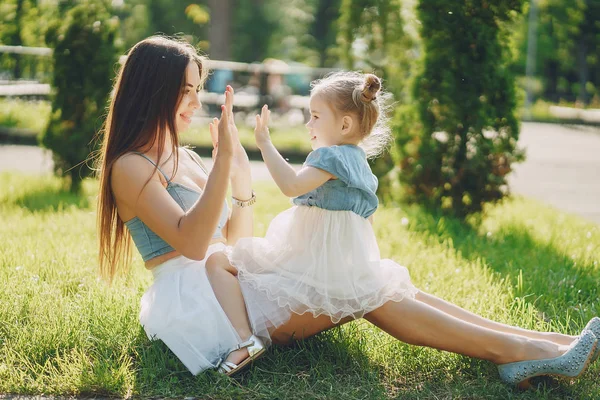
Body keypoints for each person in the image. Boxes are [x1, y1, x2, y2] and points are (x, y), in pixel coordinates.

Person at [205, 72, 599, 387]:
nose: (309, 122)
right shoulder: (355, 159)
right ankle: (548, 344)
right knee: (400, 294)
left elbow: (291, 186)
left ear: (344, 123)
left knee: (392, 300)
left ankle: (521, 351)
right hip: (335, 260)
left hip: (320, 267)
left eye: (315, 116)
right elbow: (360, 219)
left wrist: (264, 143)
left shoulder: (328, 155)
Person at [95, 36, 266, 376]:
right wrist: (221, 165)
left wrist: (239, 176)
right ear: (154, 91)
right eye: (187, 90)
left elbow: (233, 240)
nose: (196, 102)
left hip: (223, 277)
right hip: (194, 295)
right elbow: (192, 243)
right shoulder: (130, 166)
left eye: (197, 90)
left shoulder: (185, 156)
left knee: (344, 287)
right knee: (345, 292)